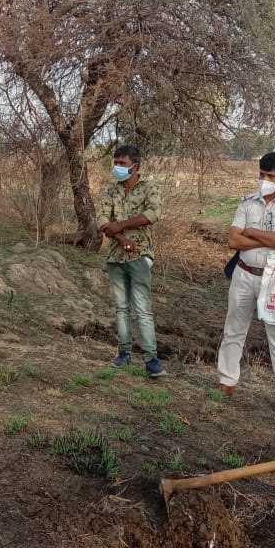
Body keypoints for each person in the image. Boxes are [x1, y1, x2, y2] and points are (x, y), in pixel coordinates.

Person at [215, 151, 275, 413]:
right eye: (262, 175)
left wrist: (251, 232)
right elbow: (234, 241)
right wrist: (269, 237)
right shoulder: (247, 202)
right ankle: (226, 381)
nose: (264, 180)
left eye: (271, 176)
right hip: (244, 273)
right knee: (233, 329)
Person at [96, 144, 166, 378]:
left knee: (143, 309)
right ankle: (123, 354)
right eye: (115, 163)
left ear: (135, 165)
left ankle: (151, 359)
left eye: (122, 164)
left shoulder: (150, 187)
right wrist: (120, 237)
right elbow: (102, 219)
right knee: (121, 307)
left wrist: (121, 225)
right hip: (116, 256)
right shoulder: (111, 190)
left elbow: (153, 214)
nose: (117, 167)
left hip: (140, 254)